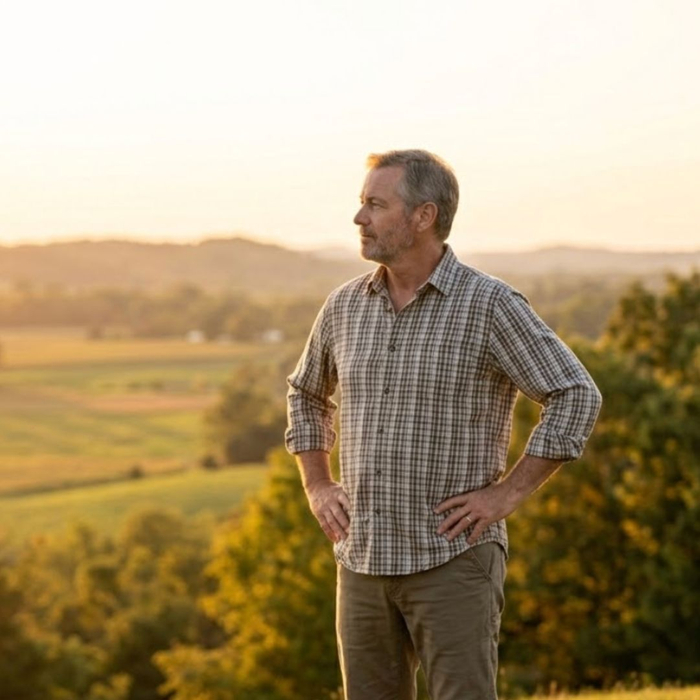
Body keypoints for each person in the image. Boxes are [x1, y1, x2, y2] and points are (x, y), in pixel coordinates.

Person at [285, 149, 602, 700]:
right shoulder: (343, 307)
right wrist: (316, 483)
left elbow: (576, 394)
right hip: (361, 560)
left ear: (423, 216)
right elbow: (306, 393)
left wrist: (505, 496)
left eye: (375, 205)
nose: (359, 218)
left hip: (452, 561)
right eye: (361, 204)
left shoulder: (490, 305)